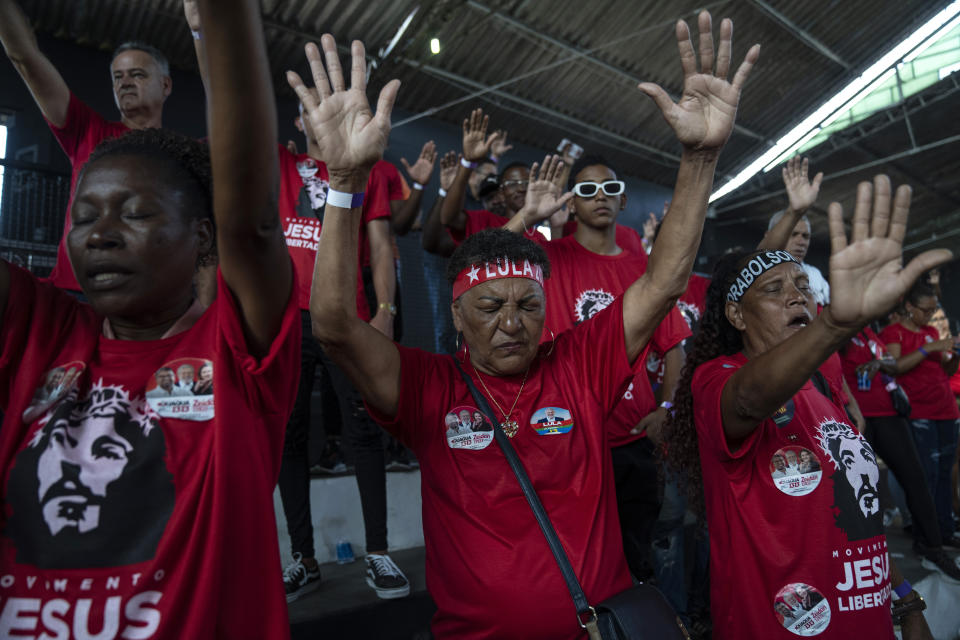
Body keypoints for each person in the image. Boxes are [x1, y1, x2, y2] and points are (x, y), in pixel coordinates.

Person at [292, 11, 758, 637]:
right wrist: (346, 182)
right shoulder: (428, 387)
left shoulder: (579, 362)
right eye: (490, 308)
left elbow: (664, 282)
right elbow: (333, 326)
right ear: (457, 316)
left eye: (528, 306)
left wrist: (700, 159)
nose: (512, 322)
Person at [0, 0, 299, 637]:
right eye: (84, 217)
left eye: (134, 214)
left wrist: (218, 19)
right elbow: (25, 57)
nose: (100, 235)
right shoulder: (36, 337)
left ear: (203, 236)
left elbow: (250, 221)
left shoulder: (234, 357)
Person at [663, 175, 945, 638]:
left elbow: (859, 512)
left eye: (802, 284)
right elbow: (751, 399)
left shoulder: (819, 385)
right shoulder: (716, 380)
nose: (796, 294)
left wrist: (906, 600)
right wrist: (834, 325)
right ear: (737, 315)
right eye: (773, 290)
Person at [504, 153, 691, 581]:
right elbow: (483, 261)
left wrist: (668, 410)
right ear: (572, 203)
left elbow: (676, 345)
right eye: (587, 189)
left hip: (633, 440)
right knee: (575, 564)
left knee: (639, 561)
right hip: (567, 438)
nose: (600, 197)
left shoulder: (641, 266)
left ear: (623, 200)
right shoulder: (548, 256)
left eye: (609, 188)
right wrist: (528, 214)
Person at [0, 0, 176, 294]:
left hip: (145, 306)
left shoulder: (180, 154)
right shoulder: (88, 130)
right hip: (76, 297)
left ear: (166, 86)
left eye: (137, 74)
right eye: (118, 77)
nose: (125, 83)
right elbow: (26, 59)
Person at [839, 321, 960, 579]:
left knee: (916, 479)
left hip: (889, 414)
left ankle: (932, 546)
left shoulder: (869, 331)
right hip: (858, 415)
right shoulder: (840, 328)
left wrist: (881, 364)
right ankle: (858, 556)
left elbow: (893, 365)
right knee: (857, 490)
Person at [880, 280, 960, 548]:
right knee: (927, 473)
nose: (929, 315)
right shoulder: (894, 333)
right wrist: (928, 349)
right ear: (909, 306)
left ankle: (945, 529)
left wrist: (955, 356)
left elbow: (945, 372)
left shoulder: (930, 332)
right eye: (925, 310)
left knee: (947, 471)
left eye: (933, 309)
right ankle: (927, 533)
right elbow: (894, 367)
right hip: (918, 411)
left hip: (945, 408)